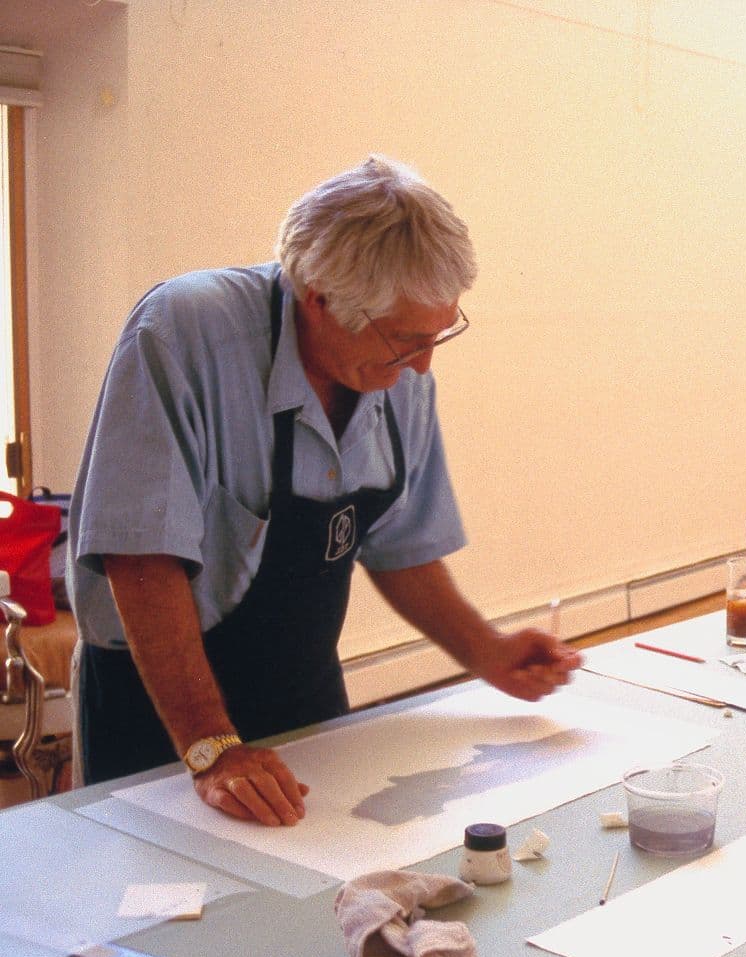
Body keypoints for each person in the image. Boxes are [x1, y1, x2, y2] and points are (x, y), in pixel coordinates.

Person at [68, 155, 583, 826]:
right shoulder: (186, 334)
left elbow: (400, 546)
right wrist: (212, 748)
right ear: (317, 298)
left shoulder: (394, 373)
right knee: (156, 911)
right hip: (160, 708)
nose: (423, 366)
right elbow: (140, 558)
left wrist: (490, 653)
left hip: (303, 696)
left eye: (438, 334)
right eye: (404, 340)